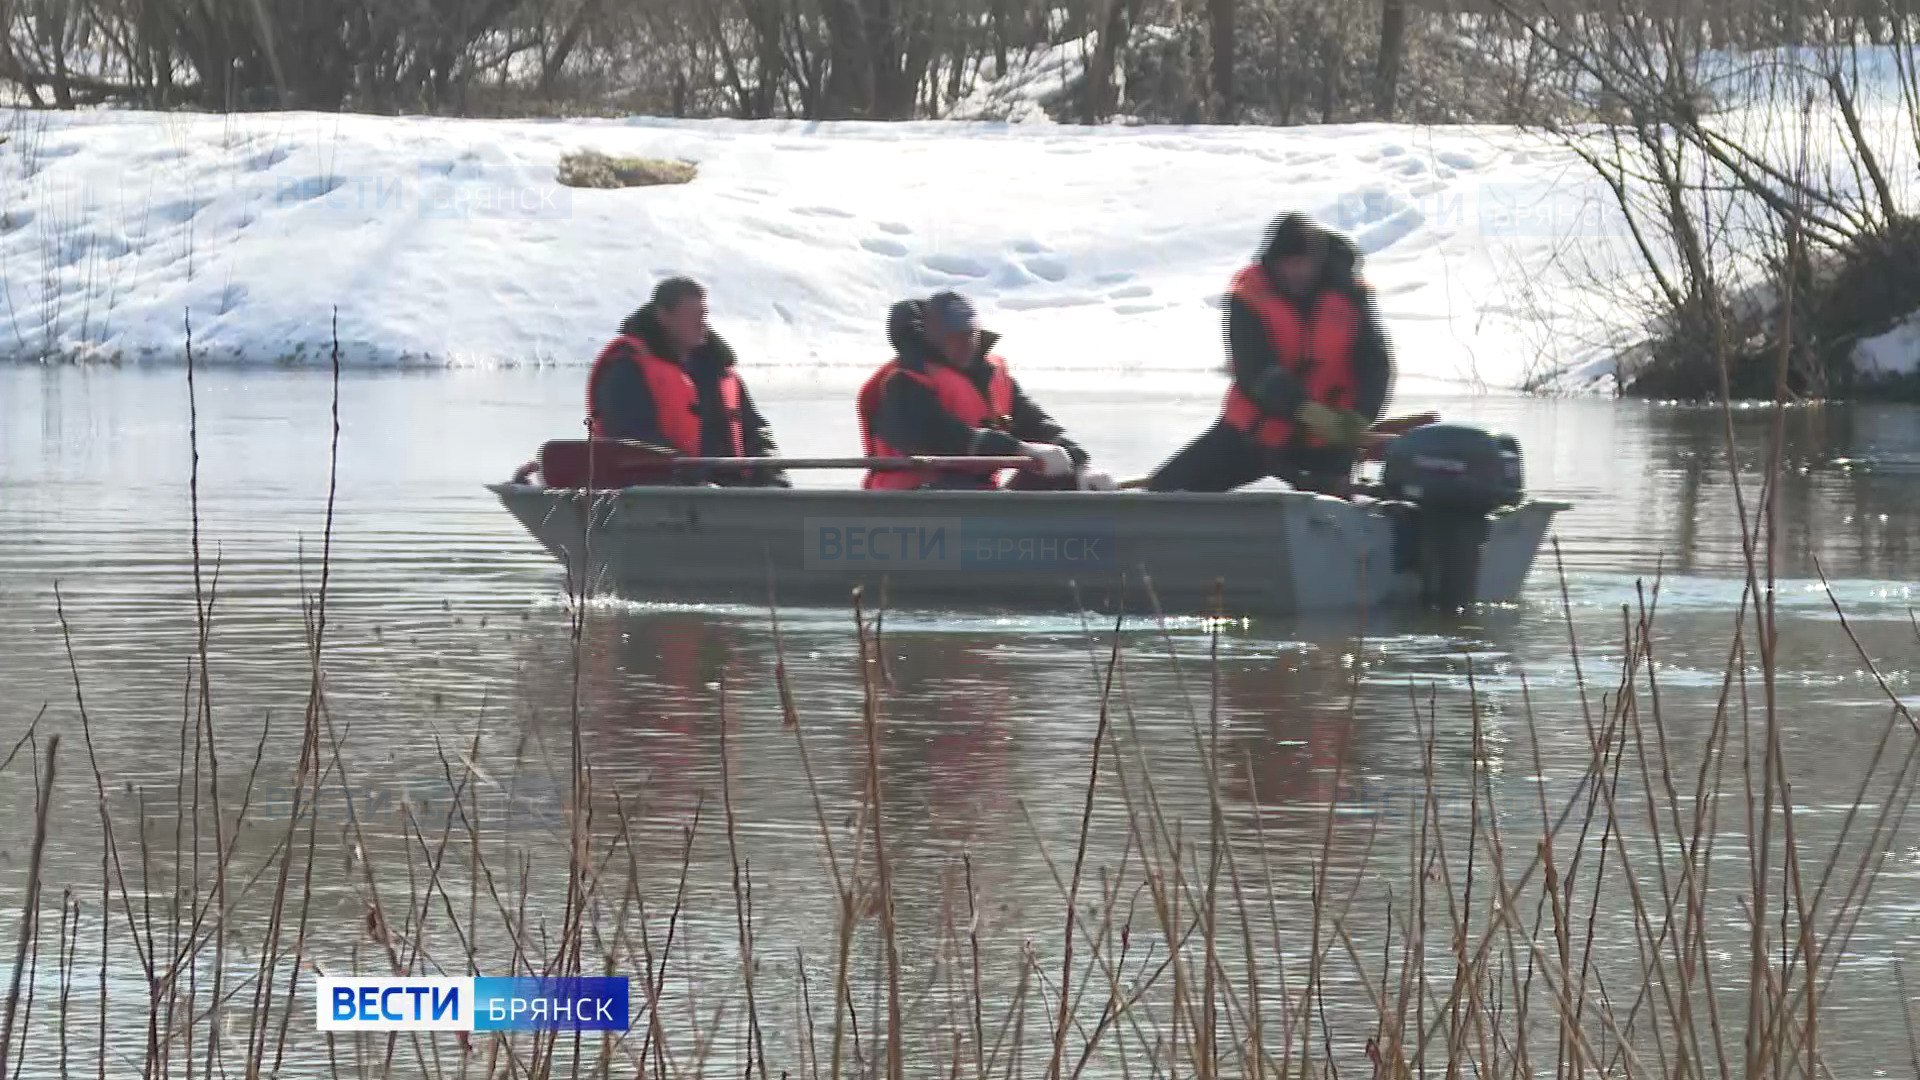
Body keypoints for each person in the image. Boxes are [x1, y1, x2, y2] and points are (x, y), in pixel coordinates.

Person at [1147, 213, 1394, 496]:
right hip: (1255, 435)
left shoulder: (1351, 295)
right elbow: (1254, 370)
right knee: (1165, 488)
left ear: (1318, 262)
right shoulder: (1248, 295)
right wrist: (1306, 410)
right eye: (1286, 264)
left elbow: (1376, 363)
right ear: (1272, 263)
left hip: (1327, 442)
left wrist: (1360, 417)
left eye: (1302, 263)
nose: (1294, 272)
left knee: (1329, 517)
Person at [856, 291, 1114, 491]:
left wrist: (1080, 463)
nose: (965, 345)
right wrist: (1017, 449)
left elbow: (1037, 424)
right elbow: (933, 435)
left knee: (1063, 473)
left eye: (970, 335)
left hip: (975, 496)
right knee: (962, 490)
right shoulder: (905, 380)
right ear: (932, 338)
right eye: (954, 338)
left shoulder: (991, 374)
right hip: (916, 502)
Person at [585, 276, 789, 487]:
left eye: (704, 315)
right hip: (665, 498)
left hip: (732, 493)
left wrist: (774, 481)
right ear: (664, 316)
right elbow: (632, 440)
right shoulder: (627, 369)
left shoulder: (719, 370)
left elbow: (756, 433)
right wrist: (694, 483)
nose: (702, 324)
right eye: (694, 317)